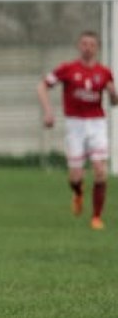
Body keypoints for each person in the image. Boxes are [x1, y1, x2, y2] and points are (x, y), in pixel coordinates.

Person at [37, 30, 117, 230]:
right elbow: (42, 86)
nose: (88, 48)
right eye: (84, 44)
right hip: (75, 125)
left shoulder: (104, 72)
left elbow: (114, 102)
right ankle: (78, 192)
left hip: (97, 123)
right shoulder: (68, 69)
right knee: (75, 176)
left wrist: (113, 94)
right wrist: (48, 112)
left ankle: (96, 217)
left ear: (97, 48)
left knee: (100, 170)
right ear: (78, 46)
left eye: (92, 44)